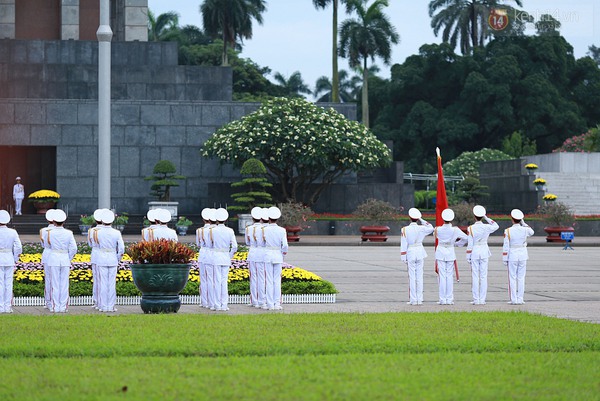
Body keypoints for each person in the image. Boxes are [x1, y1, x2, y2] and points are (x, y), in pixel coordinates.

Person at [43, 209, 77, 313]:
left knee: (55, 283)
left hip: (54, 258)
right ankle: (63, 307)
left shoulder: (49, 233)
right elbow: (74, 248)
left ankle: (55, 306)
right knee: (64, 284)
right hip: (64, 258)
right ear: (64, 221)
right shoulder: (69, 233)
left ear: (53, 222)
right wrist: (68, 257)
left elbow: (47, 246)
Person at [466, 205, 499, 305]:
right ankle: (482, 299)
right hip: (484, 250)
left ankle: (476, 299)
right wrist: (487, 218)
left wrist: (468, 255)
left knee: (475, 276)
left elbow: (470, 243)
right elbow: (496, 225)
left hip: (475, 251)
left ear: (474, 216)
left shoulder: (470, 228)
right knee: (483, 276)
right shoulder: (487, 227)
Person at [400, 208, 434, 305]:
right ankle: (420, 298)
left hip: (410, 252)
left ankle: (413, 299)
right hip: (419, 251)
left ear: (410, 218)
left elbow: (403, 244)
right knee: (419, 276)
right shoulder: (422, 228)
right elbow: (431, 227)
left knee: (412, 276)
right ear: (417, 218)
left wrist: (403, 257)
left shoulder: (405, 229)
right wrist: (421, 219)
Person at [434, 208, 468, 305]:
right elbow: (466, 238)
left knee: (442, 276)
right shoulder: (455, 230)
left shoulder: (438, 229)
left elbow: (435, 235)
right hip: (450, 252)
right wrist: (458, 244)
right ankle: (449, 299)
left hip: (440, 252)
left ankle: (442, 299)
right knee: (449, 276)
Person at [94, 210, 124, 312]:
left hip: (101, 258)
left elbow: (96, 246)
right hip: (112, 258)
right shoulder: (116, 232)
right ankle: (110, 306)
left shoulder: (97, 232)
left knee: (102, 283)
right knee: (111, 283)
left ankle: (103, 306)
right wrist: (117, 258)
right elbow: (121, 249)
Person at [503, 209, 534, 305]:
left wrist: (505, 258)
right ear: (520, 220)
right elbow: (532, 232)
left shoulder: (508, 231)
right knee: (521, 277)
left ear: (512, 219)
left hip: (512, 255)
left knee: (512, 278)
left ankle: (514, 299)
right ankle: (520, 299)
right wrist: (524, 223)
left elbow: (506, 245)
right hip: (523, 255)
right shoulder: (525, 229)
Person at [211, 208, 237, 311]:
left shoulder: (212, 230)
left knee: (217, 281)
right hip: (225, 256)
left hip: (216, 256)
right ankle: (224, 305)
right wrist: (229, 255)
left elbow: (209, 244)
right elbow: (234, 246)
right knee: (224, 281)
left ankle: (217, 304)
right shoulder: (230, 231)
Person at [263, 206, 288, 310]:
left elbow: (261, 243)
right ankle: (277, 303)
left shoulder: (264, 229)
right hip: (278, 255)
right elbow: (285, 245)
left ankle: (269, 304)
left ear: (268, 218)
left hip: (268, 254)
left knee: (269, 280)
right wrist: (282, 253)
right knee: (277, 280)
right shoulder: (282, 230)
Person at [0, 210, 22, 313]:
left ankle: (1, 307)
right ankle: (7, 307)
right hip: (9, 258)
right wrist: (15, 258)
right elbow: (18, 247)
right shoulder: (13, 232)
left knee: (0, 283)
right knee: (8, 283)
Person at [245, 207, 264, 308]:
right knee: (262, 277)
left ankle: (254, 300)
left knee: (253, 278)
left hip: (252, 253)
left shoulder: (248, 228)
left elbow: (247, 242)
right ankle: (261, 300)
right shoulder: (264, 228)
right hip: (261, 254)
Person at [87, 209, 105, 309]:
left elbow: (90, 244)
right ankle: (103, 303)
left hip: (95, 254)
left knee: (97, 280)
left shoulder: (92, 231)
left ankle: (97, 302)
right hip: (105, 254)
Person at [195, 208, 213, 309]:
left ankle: (204, 302)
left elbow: (198, 244)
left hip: (203, 254)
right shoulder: (213, 230)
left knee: (204, 279)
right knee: (212, 280)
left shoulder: (200, 230)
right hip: (212, 254)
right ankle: (212, 301)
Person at [40, 209, 56, 309]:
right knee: (57, 280)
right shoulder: (61, 231)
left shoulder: (43, 230)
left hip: (47, 254)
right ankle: (55, 302)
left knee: (48, 280)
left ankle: (49, 302)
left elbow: (43, 244)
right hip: (56, 254)